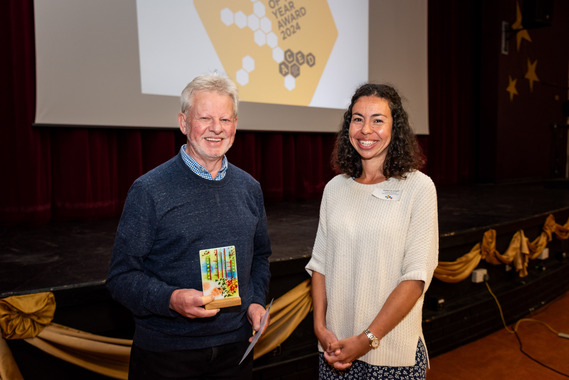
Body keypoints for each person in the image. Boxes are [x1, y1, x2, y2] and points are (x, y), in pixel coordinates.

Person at [107, 73, 272, 379]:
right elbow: (121, 277)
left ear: (235, 124)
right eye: (205, 118)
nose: (216, 128)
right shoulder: (149, 190)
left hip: (235, 351)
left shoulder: (250, 188)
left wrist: (254, 302)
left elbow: (261, 258)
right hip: (167, 354)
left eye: (225, 118)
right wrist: (170, 299)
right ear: (183, 123)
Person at [305, 83, 439, 379]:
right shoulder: (334, 189)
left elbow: (415, 279)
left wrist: (366, 340)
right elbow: (320, 265)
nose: (366, 129)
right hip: (336, 349)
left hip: (391, 354)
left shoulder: (419, 188)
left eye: (378, 120)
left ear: (396, 128)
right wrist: (320, 328)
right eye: (357, 119)